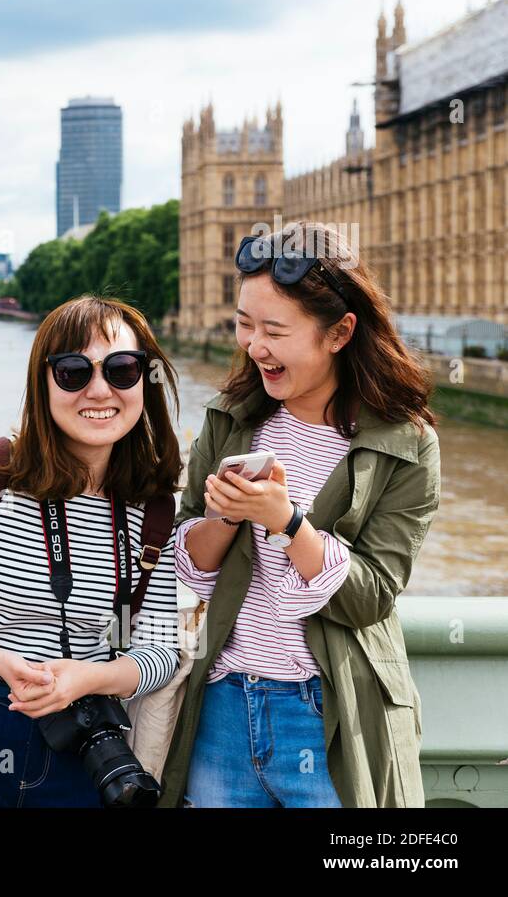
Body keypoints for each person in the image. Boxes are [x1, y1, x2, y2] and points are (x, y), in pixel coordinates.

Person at [159, 221, 441, 808]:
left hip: (332, 713)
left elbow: (371, 595)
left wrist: (288, 524)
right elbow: (184, 567)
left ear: (339, 333)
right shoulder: (230, 419)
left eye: (274, 330)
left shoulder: (404, 443)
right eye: (244, 323)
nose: (253, 345)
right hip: (223, 709)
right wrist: (229, 516)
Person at [0, 295, 184, 807]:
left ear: (145, 381)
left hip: (85, 739)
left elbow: (160, 650)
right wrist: (3, 662)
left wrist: (89, 678)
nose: (100, 390)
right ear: (42, 381)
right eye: (73, 371)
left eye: (122, 369)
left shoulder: (153, 508)